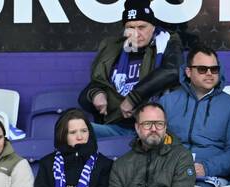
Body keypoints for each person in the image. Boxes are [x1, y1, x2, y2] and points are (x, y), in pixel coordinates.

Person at [157, 45, 230, 187]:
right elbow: (154, 141)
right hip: (170, 170)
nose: (209, 74)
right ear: (188, 71)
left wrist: (206, 168)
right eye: (202, 69)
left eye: (214, 69)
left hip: (207, 175)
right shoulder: (167, 101)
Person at [78, 4, 183, 137]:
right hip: (116, 126)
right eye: (130, 28)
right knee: (71, 127)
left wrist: (133, 98)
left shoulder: (166, 43)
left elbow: (173, 71)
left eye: (142, 27)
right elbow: (87, 93)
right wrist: (96, 93)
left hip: (153, 128)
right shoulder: (116, 49)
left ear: (153, 27)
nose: (136, 33)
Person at [105, 105, 197, 187]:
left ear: (165, 127)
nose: (154, 129)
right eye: (147, 124)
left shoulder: (181, 156)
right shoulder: (121, 164)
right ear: (137, 127)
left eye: (159, 124)